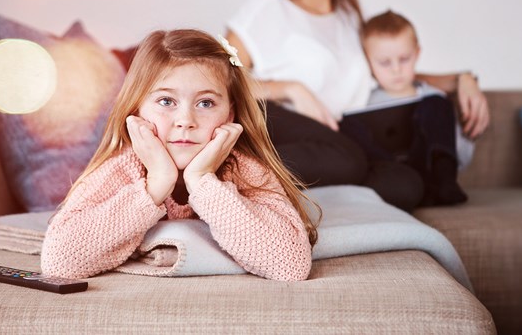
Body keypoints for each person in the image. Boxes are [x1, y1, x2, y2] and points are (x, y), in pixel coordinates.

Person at [225, 0, 490, 211]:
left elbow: (390, 73)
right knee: (347, 160)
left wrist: (462, 79)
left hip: (341, 137)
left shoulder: (349, 17)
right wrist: (291, 89)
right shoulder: (267, 5)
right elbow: (219, 77)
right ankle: (229, 170)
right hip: (280, 123)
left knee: (405, 186)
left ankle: (300, 181)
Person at [41, 29, 318, 282]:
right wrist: (157, 184)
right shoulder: (123, 168)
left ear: (229, 114)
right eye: (166, 101)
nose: (186, 120)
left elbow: (290, 265)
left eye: (206, 103)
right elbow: (59, 261)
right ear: (137, 110)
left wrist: (202, 181)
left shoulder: (244, 169)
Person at [341, 9, 468, 206]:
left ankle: (444, 181)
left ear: (417, 54)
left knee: (436, 103)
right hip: (392, 174)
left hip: (432, 169)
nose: (396, 69)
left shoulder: (433, 98)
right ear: (368, 62)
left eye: (404, 59)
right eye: (384, 62)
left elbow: (463, 153)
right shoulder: (363, 101)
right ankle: (415, 187)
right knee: (349, 122)